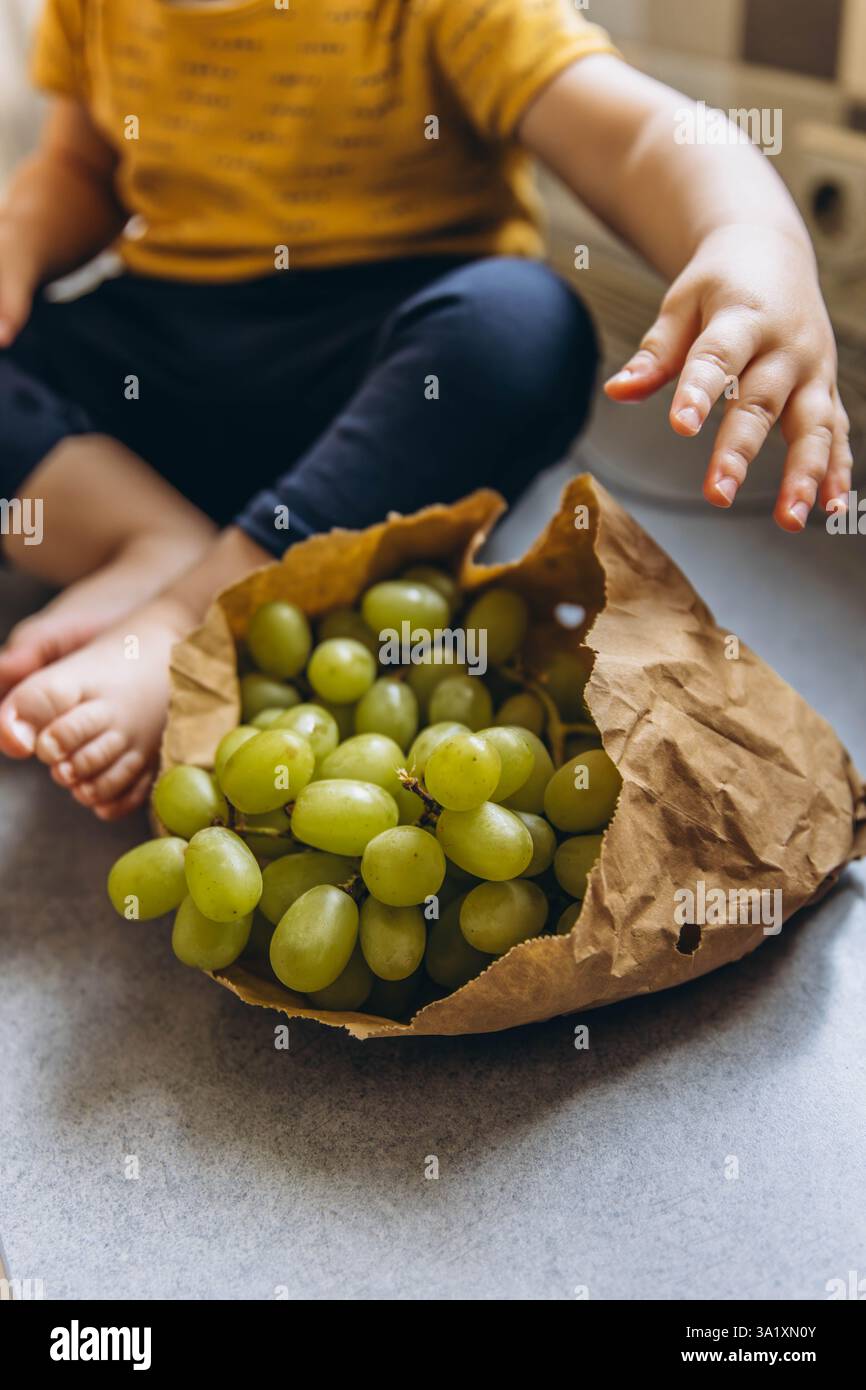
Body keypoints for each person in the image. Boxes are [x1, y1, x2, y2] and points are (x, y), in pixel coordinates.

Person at [0, 0, 850, 819]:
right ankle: (152, 539)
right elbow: (80, 168)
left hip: (386, 391)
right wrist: (18, 241)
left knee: (522, 327)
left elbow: (634, 137)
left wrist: (752, 238)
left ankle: (195, 609)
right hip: (169, 356)